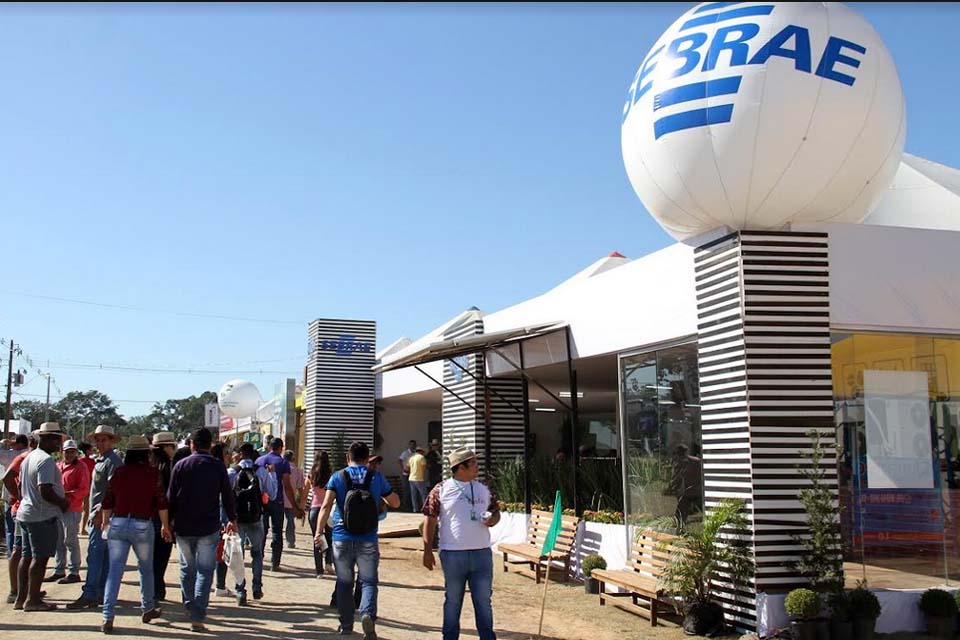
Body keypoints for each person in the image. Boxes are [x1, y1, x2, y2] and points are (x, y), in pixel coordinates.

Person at [314, 441, 399, 640]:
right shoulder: (376, 477)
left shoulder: (338, 476)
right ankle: (368, 615)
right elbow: (394, 501)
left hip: (341, 537)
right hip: (368, 537)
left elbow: (325, 506)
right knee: (368, 581)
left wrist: (318, 532)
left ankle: (345, 625)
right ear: (367, 457)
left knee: (344, 582)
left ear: (347, 457)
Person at [421, 447, 501, 640]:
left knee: (483, 601)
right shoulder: (441, 490)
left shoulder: (483, 488)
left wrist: (493, 519)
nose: (477, 466)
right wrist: (427, 550)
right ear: (460, 467)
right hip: (453, 553)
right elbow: (429, 520)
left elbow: (496, 512)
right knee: (453, 600)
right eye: (473, 463)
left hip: (482, 553)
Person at [167, 427, 237, 633]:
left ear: (192, 445)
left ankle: (189, 604)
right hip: (208, 526)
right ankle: (198, 613)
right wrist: (232, 518)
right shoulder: (218, 467)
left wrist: (168, 522)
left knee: (186, 568)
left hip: (183, 525)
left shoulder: (180, 465)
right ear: (211, 445)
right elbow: (227, 495)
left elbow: (171, 497)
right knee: (206, 571)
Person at [100, 435, 172, 634]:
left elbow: (108, 500)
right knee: (146, 569)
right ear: (146, 453)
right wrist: (165, 526)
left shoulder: (119, 472)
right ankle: (148, 607)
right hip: (142, 524)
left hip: (118, 522)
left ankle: (107, 616)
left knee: (114, 572)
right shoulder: (153, 473)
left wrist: (106, 522)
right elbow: (161, 502)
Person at [15, 422, 70, 612]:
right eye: (56, 439)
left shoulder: (29, 457)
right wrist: (62, 503)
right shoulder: (45, 460)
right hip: (41, 515)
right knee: (40, 558)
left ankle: (22, 597)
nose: (58, 443)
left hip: (27, 512)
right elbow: (45, 490)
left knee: (27, 556)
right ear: (46, 439)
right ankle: (33, 600)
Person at [67, 425, 123, 610]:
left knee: (96, 555)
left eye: (104, 439)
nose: (100, 443)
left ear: (111, 441)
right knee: (103, 556)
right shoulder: (102, 460)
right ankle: (100, 592)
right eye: (98, 440)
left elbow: (112, 490)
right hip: (101, 515)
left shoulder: (112, 461)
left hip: (103, 516)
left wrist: (100, 513)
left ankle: (90, 593)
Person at [227, 442, 275, 606]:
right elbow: (273, 493)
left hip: (238, 519)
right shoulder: (260, 471)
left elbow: (226, 497)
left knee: (238, 556)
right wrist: (272, 475)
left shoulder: (232, 472)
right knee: (257, 554)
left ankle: (240, 590)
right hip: (256, 517)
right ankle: (257, 586)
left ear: (240, 454)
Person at [256, 437, 302, 571]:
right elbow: (287, 486)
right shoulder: (283, 463)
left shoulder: (259, 461)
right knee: (277, 532)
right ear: (281, 448)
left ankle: (259, 558)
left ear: (269, 447)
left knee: (262, 531)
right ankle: (274, 563)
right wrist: (295, 506)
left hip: (262, 501)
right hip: (278, 501)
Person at [49, 439, 90, 584]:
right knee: (59, 540)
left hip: (72, 508)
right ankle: (59, 569)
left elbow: (84, 488)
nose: (70, 454)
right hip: (57, 507)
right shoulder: (58, 465)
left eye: (72, 451)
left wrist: (69, 494)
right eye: (67, 451)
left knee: (70, 540)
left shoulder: (81, 467)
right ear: (62, 452)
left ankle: (74, 571)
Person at [1, 434, 36, 604]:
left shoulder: (28, 457)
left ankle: (22, 589)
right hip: (22, 510)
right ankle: (16, 590)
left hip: (24, 509)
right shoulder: (24, 457)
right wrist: (20, 496)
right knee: (20, 549)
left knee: (23, 550)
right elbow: (7, 478)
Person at [150, 431, 177, 602]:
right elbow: (172, 496)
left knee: (151, 557)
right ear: (166, 447)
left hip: (149, 517)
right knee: (161, 556)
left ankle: (154, 588)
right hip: (165, 517)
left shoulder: (151, 468)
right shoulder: (171, 468)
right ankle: (158, 589)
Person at [1, 435, 28, 559]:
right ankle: (23, 553)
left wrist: (3, 443)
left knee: (10, 529)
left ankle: (11, 554)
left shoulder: (12, 456)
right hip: (26, 498)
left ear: (19, 444)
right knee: (22, 530)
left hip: (10, 496)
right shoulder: (29, 455)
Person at [211, 442, 233, 598]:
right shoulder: (220, 470)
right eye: (227, 453)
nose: (229, 456)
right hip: (218, 519)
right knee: (220, 552)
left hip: (207, 518)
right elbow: (225, 499)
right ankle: (219, 585)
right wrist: (230, 519)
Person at [306, 450, 333, 578]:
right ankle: (328, 560)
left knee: (317, 539)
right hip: (327, 509)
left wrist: (301, 507)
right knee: (330, 538)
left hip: (314, 510)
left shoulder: (311, 475)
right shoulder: (331, 475)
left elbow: (306, 492)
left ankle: (319, 571)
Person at [283, 450, 305, 550]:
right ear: (293, 458)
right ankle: (290, 541)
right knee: (290, 521)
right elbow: (300, 488)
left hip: (278, 499)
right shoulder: (298, 471)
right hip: (291, 500)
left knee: (277, 522)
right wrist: (301, 503)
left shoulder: (280, 468)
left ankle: (277, 540)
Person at [78, 441, 97, 534]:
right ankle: (82, 529)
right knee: (86, 509)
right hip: (87, 487)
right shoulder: (91, 462)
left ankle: (80, 528)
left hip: (80, 487)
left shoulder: (79, 461)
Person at [396, 440, 416, 512]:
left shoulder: (415, 453)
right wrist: (403, 468)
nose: (412, 446)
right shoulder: (405, 453)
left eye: (414, 445)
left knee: (413, 491)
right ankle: (405, 506)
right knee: (406, 490)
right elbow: (400, 460)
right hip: (406, 474)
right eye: (411, 444)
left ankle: (412, 506)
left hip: (413, 474)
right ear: (409, 445)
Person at [407, 447, 429, 513]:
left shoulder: (411, 458)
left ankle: (415, 509)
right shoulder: (421, 457)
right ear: (421, 451)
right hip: (419, 478)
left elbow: (407, 468)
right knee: (423, 494)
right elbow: (424, 468)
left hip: (411, 478)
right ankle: (425, 509)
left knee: (414, 495)